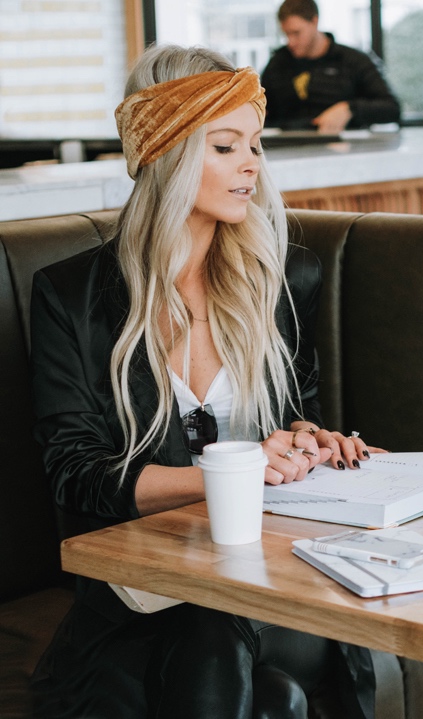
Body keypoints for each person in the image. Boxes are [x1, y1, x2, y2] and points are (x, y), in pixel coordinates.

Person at [29, 43, 382, 719]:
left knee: (228, 630)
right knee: (265, 688)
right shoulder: (71, 296)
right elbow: (73, 474)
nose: (252, 163)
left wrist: (308, 444)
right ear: (164, 152)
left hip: (268, 578)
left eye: (254, 143)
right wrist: (243, 471)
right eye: (224, 146)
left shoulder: (279, 282)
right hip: (149, 587)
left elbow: (291, 415)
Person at [261, 0, 401, 133]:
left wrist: (350, 109)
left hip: (343, 151)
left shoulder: (353, 61)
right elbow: (260, 106)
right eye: (286, 34)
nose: (291, 42)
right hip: (286, 149)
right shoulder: (277, 63)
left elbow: (392, 108)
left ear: (314, 22)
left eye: (296, 33)